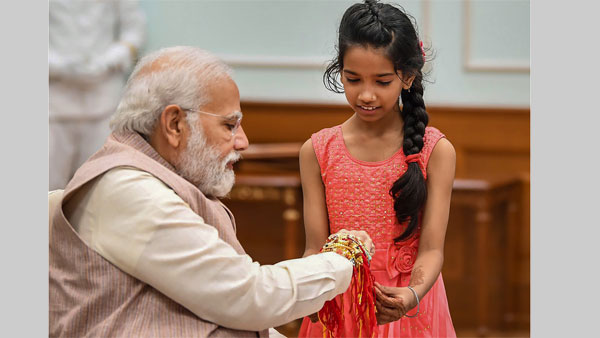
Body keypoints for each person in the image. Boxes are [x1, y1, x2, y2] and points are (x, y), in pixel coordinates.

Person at [48, 46, 376, 338]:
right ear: (174, 124)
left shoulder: (154, 180)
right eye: (229, 125)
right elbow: (248, 297)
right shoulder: (130, 190)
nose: (243, 141)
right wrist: (341, 258)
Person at [297, 0, 456, 337]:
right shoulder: (317, 150)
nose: (366, 94)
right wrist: (306, 295)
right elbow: (314, 247)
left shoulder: (435, 151)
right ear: (340, 71)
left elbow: (431, 249)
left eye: (382, 82)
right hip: (339, 305)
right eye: (353, 79)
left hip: (409, 308)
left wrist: (412, 294)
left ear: (408, 76)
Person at [49, 0, 146, 190]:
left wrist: (111, 59)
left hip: (104, 101)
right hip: (53, 104)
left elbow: (134, 31)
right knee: (48, 187)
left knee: (97, 186)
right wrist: (57, 65)